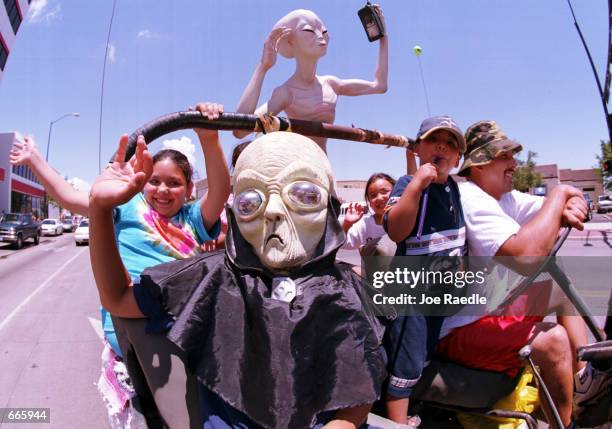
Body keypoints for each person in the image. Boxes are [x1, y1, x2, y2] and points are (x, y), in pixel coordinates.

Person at [89, 131, 386, 429]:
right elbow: (117, 299)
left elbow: (359, 385)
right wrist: (100, 210)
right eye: (251, 201)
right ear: (234, 212)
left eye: (303, 196)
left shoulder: (345, 287)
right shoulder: (211, 277)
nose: (272, 211)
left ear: (329, 207)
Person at [9, 102, 230, 427]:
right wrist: (35, 161)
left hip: (181, 329)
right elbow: (71, 196)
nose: (163, 190)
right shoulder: (125, 207)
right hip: (130, 327)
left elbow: (221, 191)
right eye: (154, 181)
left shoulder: (193, 219)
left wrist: (209, 140)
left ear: (188, 189)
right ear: (141, 182)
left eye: (174, 183)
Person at [436, 120, 589, 428]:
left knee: (557, 289)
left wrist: (569, 201)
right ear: (479, 164)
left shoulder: (502, 197)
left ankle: (584, 382)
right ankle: (567, 424)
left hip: (490, 309)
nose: (513, 162)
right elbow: (524, 256)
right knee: (553, 340)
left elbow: (564, 202)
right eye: (504, 155)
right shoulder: (471, 198)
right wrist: (559, 196)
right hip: (459, 329)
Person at [382, 116, 467, 426]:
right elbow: (396, 231)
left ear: (458, 157)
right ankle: (396, 420)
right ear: (418, 149)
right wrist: (416, 185)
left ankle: (414, 406)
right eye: (434, 140)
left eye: (451, 142)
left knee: (424, 354)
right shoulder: (408, 185)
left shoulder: (454, 189)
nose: (442, 145)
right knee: (406, 359)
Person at [233, 7, 388, 153]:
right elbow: (239, 130)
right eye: (308, 30)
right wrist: (263, 67)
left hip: (324, 169)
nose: (321, 36)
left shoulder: (331, 84)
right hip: (300, 170)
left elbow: (379, 86)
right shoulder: (286, 93)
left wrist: (383, 37)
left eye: (324, 31)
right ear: (290, 41)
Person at [342, 172, 396, 252]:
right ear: (369, 202)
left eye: (384, 192)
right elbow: (342, 243)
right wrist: (347, 223)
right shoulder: (364, 225)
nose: (379, 198)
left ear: (396, 192)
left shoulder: (406, 219)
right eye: (373, 195)